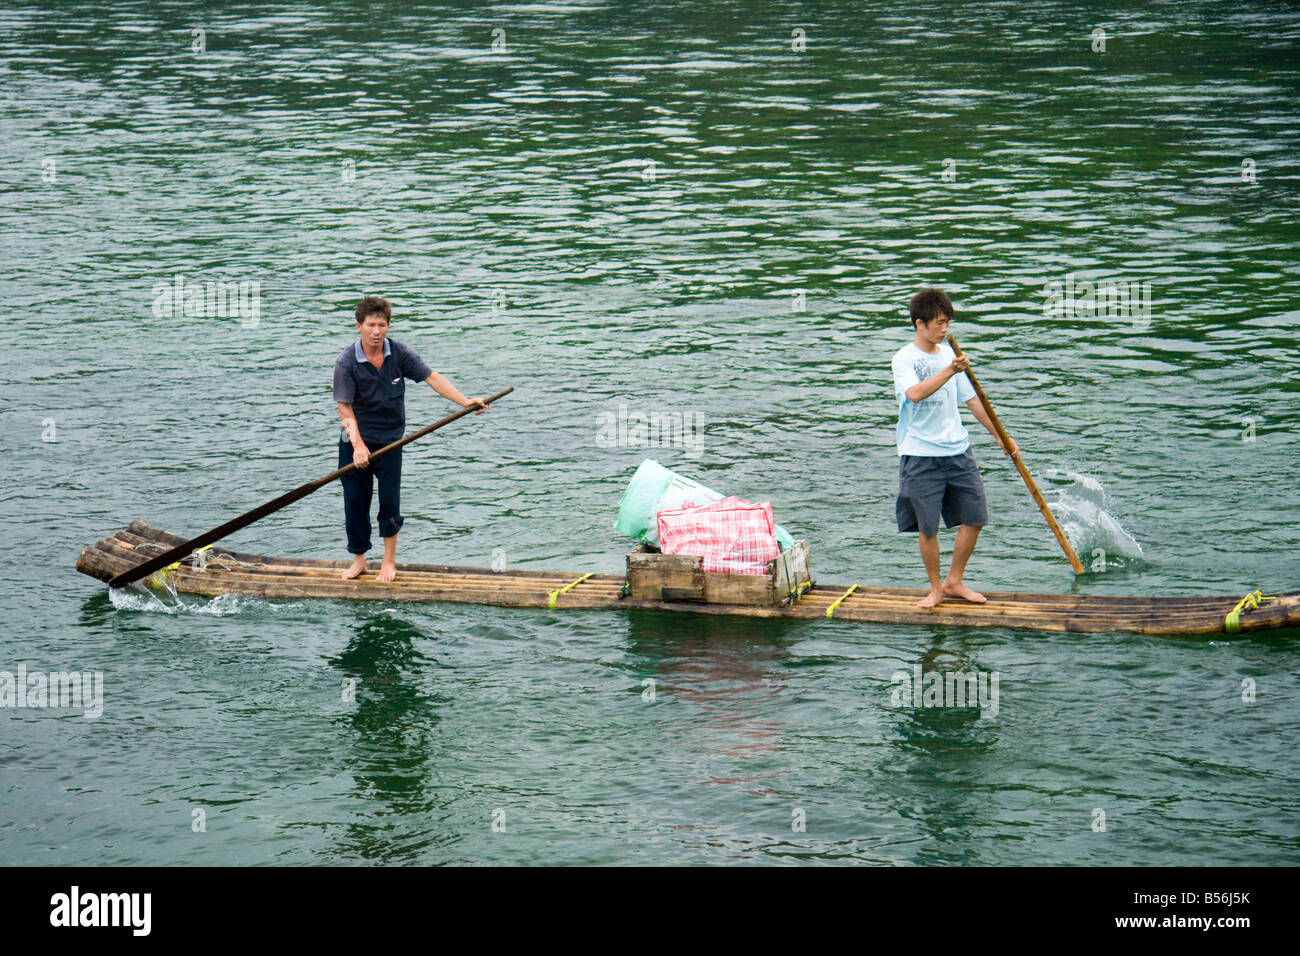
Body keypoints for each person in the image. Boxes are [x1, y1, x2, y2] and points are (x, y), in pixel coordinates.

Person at [333, 296, 488, 582]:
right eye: (371, 325)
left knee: (390, 502)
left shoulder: (399, 353)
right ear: (359, 327)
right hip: (355, 441)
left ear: (388, 326)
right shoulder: (346, 362)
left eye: (382, 325)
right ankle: (359, 560)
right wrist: (358, 445)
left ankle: (389, 561)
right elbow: (344, 407)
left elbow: (432, 378)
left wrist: (466, 401)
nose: (377, 331)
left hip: (392, 441)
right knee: (355, 501)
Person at [891, 289, 1018, 608]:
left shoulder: (950, 354)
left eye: (947, 323)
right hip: (920, 455)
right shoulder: (904, 359)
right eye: (940, 323)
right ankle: (935, 589)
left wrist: (1000, 435)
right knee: (928, 526)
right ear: (920, 324)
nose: (945, 329)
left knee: (975, 516)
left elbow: (972, 400)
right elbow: (915, 394)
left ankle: (954, 580)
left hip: (958, 451)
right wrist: (950, 370)